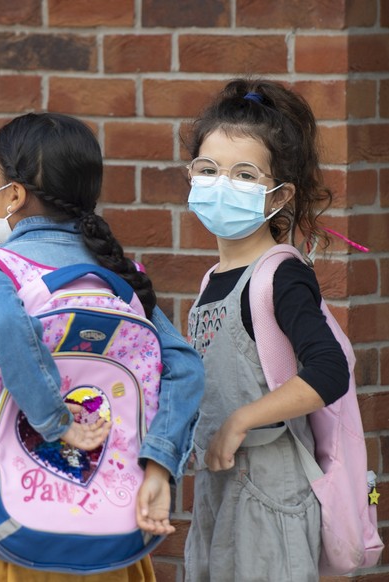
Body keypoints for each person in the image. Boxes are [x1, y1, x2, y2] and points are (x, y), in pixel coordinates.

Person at [0, 112, 204, 581]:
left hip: (11, 520)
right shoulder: (120, 278)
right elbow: (185, 366)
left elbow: (6, 324)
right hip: (109, 524)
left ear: (13, 195)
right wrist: (158, 465)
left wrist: (56, 421)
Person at [183, 79, 349, 581]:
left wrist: (239, 422)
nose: (220, 183)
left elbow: (328, 371)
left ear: (280, 196)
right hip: (218, 489)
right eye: (208, 170)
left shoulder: (281, 274)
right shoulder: (212, 279)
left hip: (268, 491)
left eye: (244, 174)